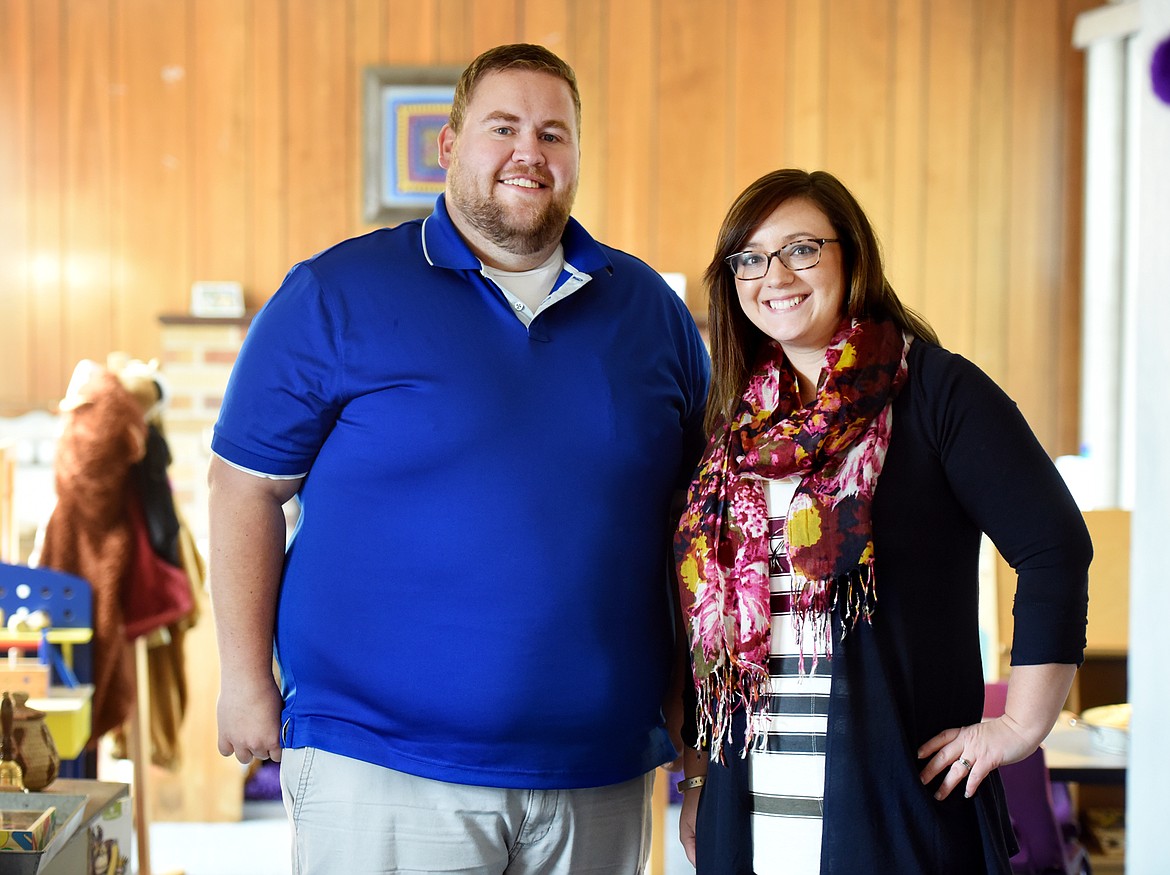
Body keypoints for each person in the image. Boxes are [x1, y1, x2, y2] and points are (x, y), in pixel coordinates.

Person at [208, 43, 709, 874]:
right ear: (447, 146)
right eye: (503, 127)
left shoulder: (650, 312)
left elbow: (694, 530)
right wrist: (243, 676)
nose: (530, 151)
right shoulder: (334, 293)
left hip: (600, 769)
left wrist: (695, 743)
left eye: (554, 133)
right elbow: (243, 488)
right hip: (382, 765)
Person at [672, 169, 1091, 874]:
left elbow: (1055, 545)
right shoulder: (733, 426)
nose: (775, 275)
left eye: (801, 248)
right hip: (750, 808)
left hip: (897, 809)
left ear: (852, 257)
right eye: (751, 257)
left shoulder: (935, 391)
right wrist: (701, 779)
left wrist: (1020, 725)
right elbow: (707, 625)